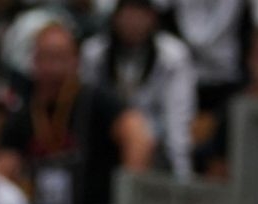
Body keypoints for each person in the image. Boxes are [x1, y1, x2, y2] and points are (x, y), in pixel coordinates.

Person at [0, 20, 154, 204]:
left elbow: (140, 137)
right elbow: (1, 169)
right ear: (34, 61)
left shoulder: (94, 100)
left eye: (60, 57)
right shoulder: (25, 113)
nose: (53, 66)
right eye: (46, 57)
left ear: (75, 62)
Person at [80, 0, 197, 179]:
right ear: (115, 15)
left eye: (141, 13)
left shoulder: (173, 57)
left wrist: (182, 176)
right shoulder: (94, 54)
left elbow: (178, 120)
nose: (133, 21)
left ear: (153, 17)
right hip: (103, 150)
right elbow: (85, 112)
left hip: (157, 155)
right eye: (128, 12)